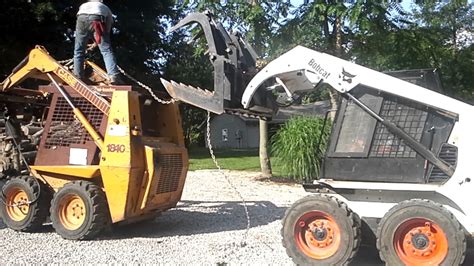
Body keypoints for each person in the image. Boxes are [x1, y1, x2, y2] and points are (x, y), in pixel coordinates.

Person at [73, 0, 122, 84]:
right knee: (106, 51)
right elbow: (107, 28)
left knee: (79, 50)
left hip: (81, 18)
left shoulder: (83, 5)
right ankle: (113, 76)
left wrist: (95, 42)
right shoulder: (105, 8)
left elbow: (85, 24)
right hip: (97, 18)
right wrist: (102, 40)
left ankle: (78, 76)